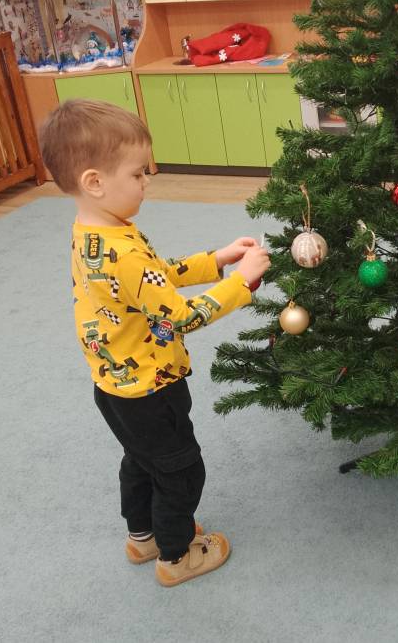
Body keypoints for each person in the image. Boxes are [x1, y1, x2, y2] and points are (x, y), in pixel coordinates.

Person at [39, 99, 270, 587]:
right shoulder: (122, 251)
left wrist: (216, 259)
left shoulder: (96, 233)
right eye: (138, 174)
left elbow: (157, 278)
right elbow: (179, 316)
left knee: (140, 462)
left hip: (114, 386)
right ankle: (176, 556)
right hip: (151, 387)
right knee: (180, 471)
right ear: (95, 182)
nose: (147, 181)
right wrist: (240, 283)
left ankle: (142, 536)